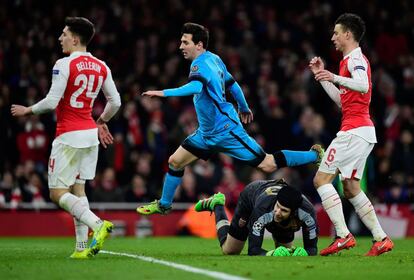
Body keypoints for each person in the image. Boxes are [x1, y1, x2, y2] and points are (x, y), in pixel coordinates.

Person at [137, 22, 323, 215]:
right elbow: (233, 85)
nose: (181, 47)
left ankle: (315, 155)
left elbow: (196, 88)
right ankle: (164, 204)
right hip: (206, 133)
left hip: (226, 130)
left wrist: (163, 93)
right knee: (175, 161)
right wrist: (243, 106)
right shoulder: (215, 59)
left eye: (185, 42)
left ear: (199, 45)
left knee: (266, 163)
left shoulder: (198, 65)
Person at [11, 17, 121, 259]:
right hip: (90, 135)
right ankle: (81, 248)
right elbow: (116, 102)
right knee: (78, 190)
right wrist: (101, 121)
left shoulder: (63, 64)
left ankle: (98, 224)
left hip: (68, 135)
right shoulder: (102, 66)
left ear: (74, 38)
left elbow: (51, 102)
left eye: (63, 34)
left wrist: (27, 110)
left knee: (57, 194)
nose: (60, 39)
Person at [309, 13, 393, 256]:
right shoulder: (348, 62)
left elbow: (363, 85)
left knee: (320, 180)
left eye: (336, 33)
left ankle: (344, 236)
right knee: (351, 187)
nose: (333, 37)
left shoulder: (355, 58)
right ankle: (381, 238)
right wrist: (323, 76)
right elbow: (342, 101)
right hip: (362, 131)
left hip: (354, 131)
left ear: (348, 34)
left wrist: (334, 76)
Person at [194, 179, 318, 256]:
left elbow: (312, 248)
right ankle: (217, 205)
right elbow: (253, 250)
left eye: (284, 210)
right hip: (251, 196)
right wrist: (270, 254)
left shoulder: (308, 213)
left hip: (283, 219)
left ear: (294, 213)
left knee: (286, 254)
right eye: (278, 206)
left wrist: (305, 253)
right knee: (230, 250)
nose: (277, 212)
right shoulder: (262, 208)